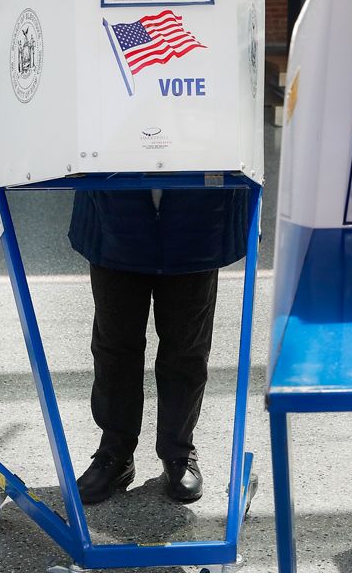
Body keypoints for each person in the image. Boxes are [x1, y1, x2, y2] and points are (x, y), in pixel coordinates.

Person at [67, 187, 250, 504]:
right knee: (114, 346)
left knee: (186, 346)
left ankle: (178, 450)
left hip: (196, 212)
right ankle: (116, 452)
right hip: (116, 210)